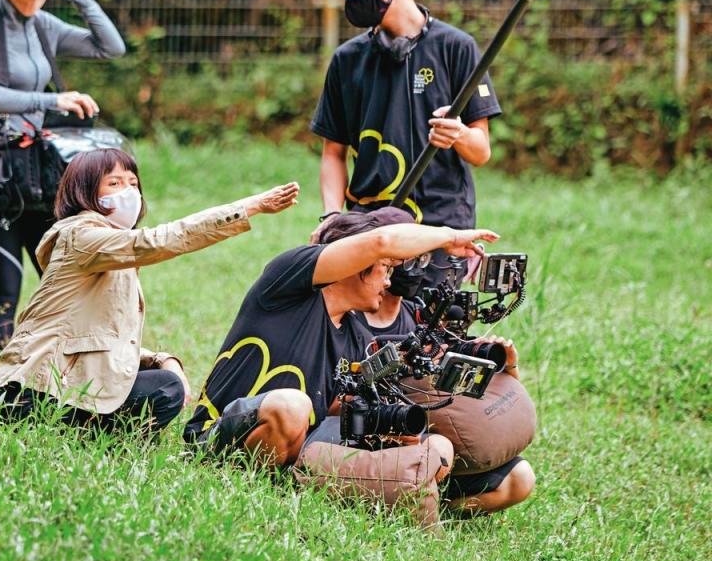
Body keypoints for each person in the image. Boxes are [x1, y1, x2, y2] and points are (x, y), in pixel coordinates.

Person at [184, 207, 501, 526]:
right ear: (357, 264)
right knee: (291, 406)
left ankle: (312, 488)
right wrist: (450, 237)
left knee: (436, 449)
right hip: (218, 437)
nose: (389, 280)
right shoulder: (287, 283)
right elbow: (380, 241)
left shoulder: (358, 336)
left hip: (301, 453)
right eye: (386, 269)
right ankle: (261, 491)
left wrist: (388, 428)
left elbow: (335, 412)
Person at [0, 148, 300, 435]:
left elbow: (100, 338)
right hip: (28, 393)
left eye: (133, 183)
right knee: (165, 389)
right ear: (84, 191)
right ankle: (79, 438)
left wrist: (161, 359)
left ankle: (91, 442)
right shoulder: (79, 235)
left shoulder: (112, 250)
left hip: (61, 390)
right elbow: (161, 240)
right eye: (114, 183)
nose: (129, 192)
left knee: (165, 387)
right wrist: (251, 207)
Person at [0, 0, 126, 356]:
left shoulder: (44, 26)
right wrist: (52, 99)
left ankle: (59, 371)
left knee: (61, 273)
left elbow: (111, 48)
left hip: (37, 170)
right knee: (5, 281)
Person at [312, 0, 502, 234]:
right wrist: (332, 216)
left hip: (442, 230)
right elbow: (333, 153)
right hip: (367, 229)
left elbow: (481, 151)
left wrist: (458, 135)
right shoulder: (346, 60)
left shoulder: (456, 48)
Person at [352, 207, 536, 516]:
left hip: (440, 433)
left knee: (520, 479)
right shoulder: (355, 319)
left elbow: (476, 397)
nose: (412, 268)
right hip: (394, 438)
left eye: (420, 258)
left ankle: (442, 505)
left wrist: (507, 364)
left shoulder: (422, 313)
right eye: (404, 259)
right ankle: (405, 495)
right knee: (436, 450)